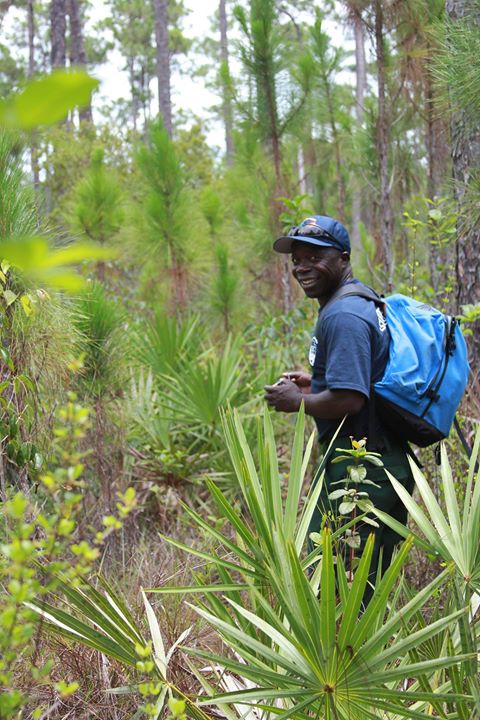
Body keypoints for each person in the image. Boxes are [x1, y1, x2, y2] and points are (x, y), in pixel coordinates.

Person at [264, 215, 414, 593]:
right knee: (347, 585)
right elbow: (361, 379)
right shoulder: (354, 300)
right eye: (297, 258)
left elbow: (350, 398)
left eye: (314, 256)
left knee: (344, 592)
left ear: (343, 257)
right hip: (364, 460)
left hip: (364, 471)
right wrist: (315, 383)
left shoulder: (344, 315)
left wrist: (297, 402)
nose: (302, 267)